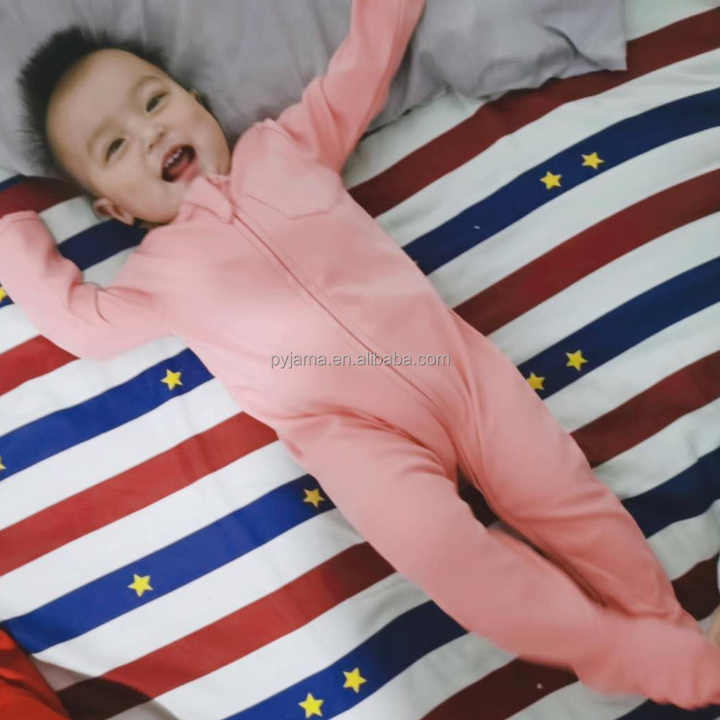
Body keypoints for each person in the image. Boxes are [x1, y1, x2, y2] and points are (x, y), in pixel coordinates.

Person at [2, 0, 720, 710]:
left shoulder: (285, 147)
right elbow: (78, 321)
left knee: (568, 501)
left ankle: (670, 638)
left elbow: (362, 69)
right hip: (352, 436)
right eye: (114, 148)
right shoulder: (156, 276)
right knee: (454, 565)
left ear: (197, 100)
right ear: (115, 210)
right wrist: (14, 234)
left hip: (456, 373)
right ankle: (624, 654)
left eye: (155, 100)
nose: (149, 130)